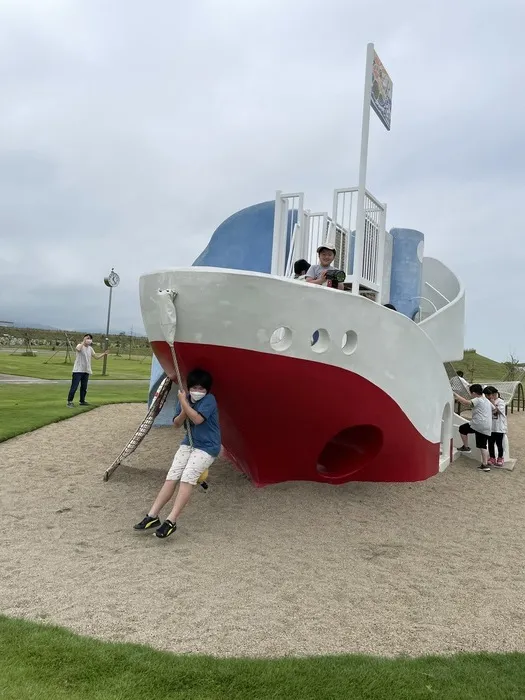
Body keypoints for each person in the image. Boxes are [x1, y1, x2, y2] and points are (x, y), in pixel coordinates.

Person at [134, 368, 221, 539]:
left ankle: (171, 521)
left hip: (207, 446)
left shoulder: (210, 400)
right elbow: (176, 423)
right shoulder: (184, 398)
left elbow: (197, 419)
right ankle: (152, 516)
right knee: (172, 476)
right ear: (188, 388)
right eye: (194, 388)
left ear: (207, 390)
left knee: (187, 477)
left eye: (201, 389)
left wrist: (185, 402)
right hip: (189, 442)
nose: (197, 392)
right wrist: (183, 404)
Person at [453, 384, 493, 471]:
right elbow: (494, 409)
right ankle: (485, 465)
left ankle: (466, 447)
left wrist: (456, 394)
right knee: (483, 445)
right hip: (487, 425)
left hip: (478, 424)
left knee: (462, 429)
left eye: (471, 393)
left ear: (474, 393)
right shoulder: (486, 400)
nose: (471, 395)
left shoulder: (477, 400)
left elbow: (466, 403)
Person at [66, 334, 108, 407]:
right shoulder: (80, 345)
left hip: (86, 371)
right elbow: (78, 349)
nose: (89, 339)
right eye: (87, 338)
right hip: (78, 371)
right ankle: (69, 401)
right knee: (74, 387)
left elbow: (96, 357)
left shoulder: (90, 348)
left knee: (84, 387)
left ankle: (82, 401)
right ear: (84, 339)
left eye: (90, 338)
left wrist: (104, 354)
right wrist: (83, 341)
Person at [483, 386, 507, 467]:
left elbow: (498, 412)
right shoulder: (487, 401)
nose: (489, 397)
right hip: (491, 427)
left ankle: (500, 458)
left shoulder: (501, 401)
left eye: (490, 395)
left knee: (499, 444)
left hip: (499, 427)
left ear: (494, 394)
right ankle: (492, 457)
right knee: (490, 443)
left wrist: (493, 403)